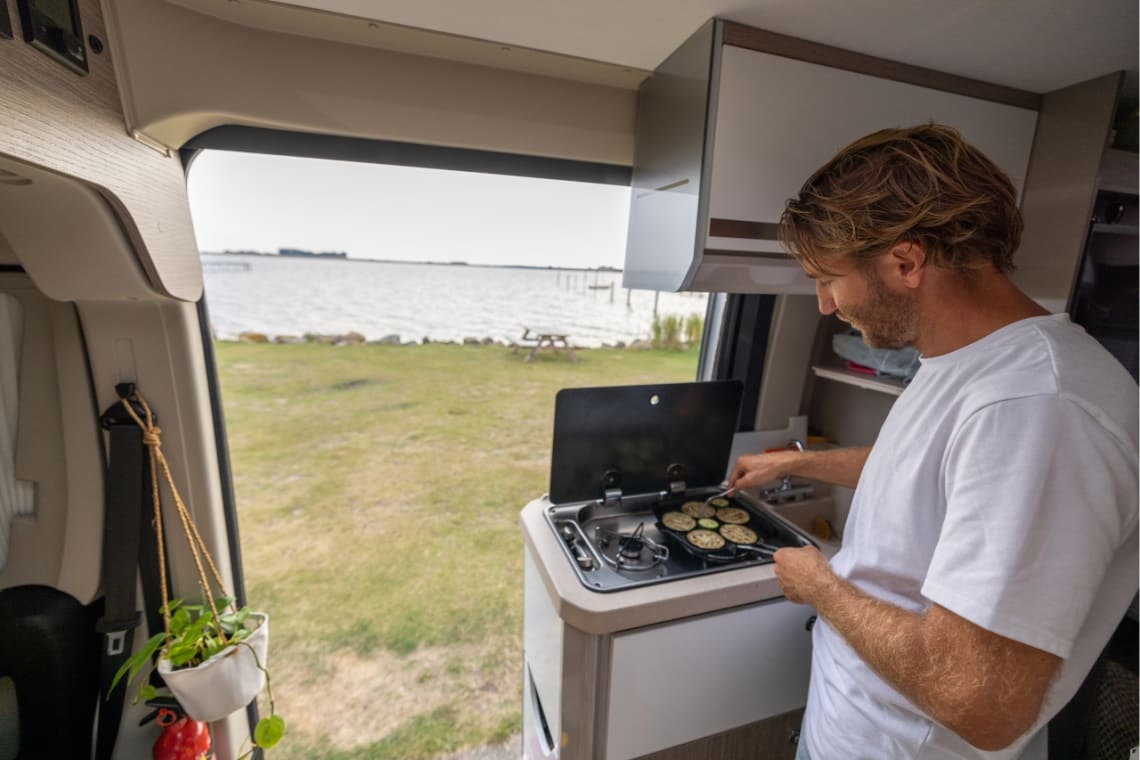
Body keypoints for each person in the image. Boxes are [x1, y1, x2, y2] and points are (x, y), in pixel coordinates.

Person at [727, 124, 1138, 759]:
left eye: (828, 277)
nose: (826, 305)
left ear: (906, 260)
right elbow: (924, 472)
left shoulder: (1038, 408)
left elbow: (979, 699)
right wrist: (795, 462)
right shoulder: (965, 363)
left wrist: (820, 583)